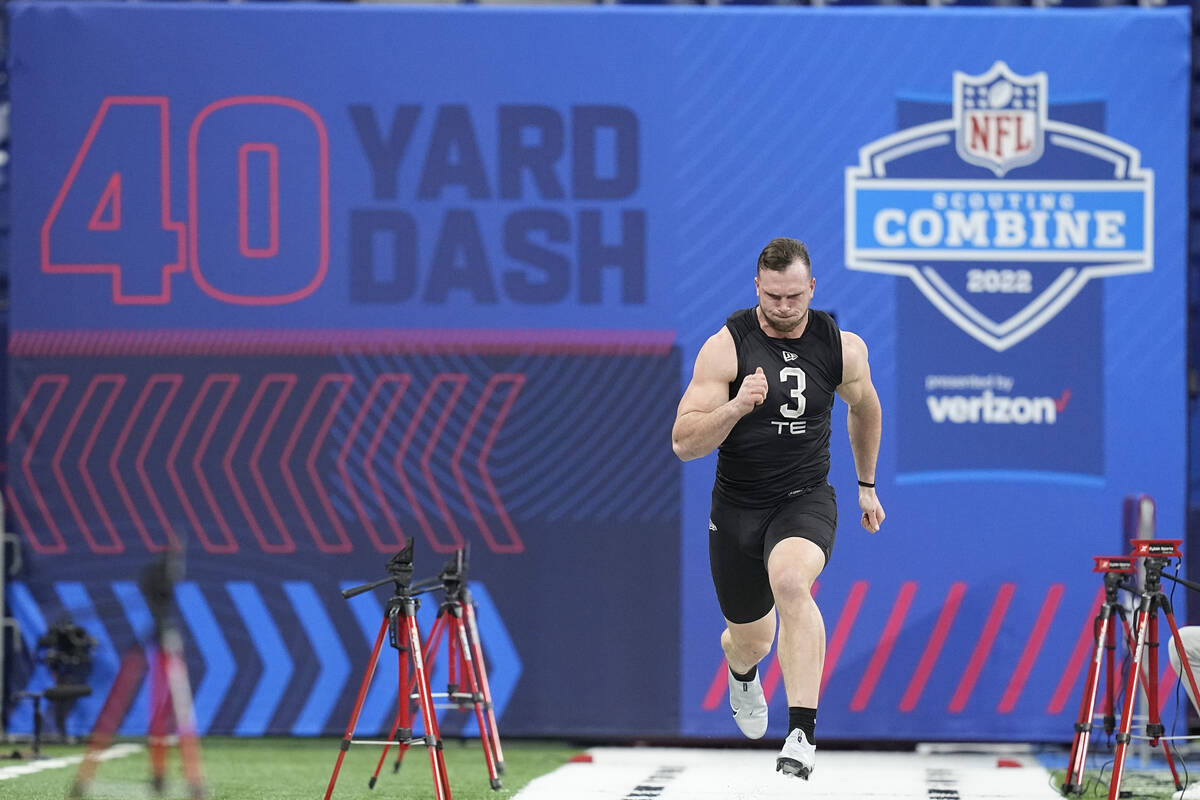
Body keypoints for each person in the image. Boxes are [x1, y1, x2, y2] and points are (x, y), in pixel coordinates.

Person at [671, 237, 885, 779]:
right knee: (752, 639)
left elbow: (866, 407)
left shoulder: (842, 347)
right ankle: (741, 672)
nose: (785, 308)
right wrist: (739, 405)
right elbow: (684, 442)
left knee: (792, 583)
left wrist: (866, 483)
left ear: (811, 288)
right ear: (756, 288)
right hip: (738, 507)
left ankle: (801, 734)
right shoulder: (725, 347)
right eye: (773, 297)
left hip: (804, 499)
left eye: (795, 296)